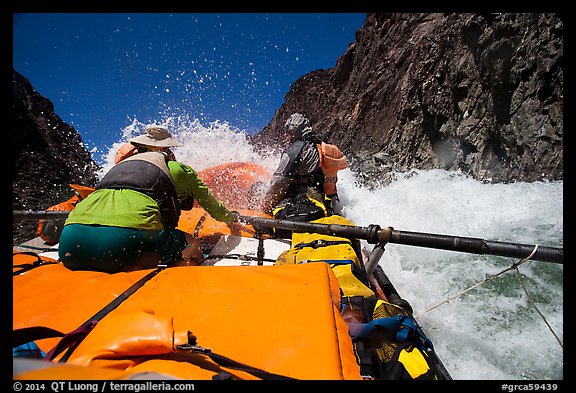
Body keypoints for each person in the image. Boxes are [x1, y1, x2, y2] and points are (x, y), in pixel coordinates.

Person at [58, 125, 239, 273]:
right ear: (164, 149)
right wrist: (232, 220)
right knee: (194, 245)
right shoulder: (178, 169)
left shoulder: (120, 167)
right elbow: (214, 207)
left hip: (70, 244)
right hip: (123, 245)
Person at [260, 113, 347, 223]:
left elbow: (278, 182)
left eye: (288, 130)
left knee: (257, 187)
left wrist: (264, 206)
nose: (285, 134)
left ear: (295, 130)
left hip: (303, 205)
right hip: (328, 205)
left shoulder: (296, 149)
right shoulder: (322, 147)